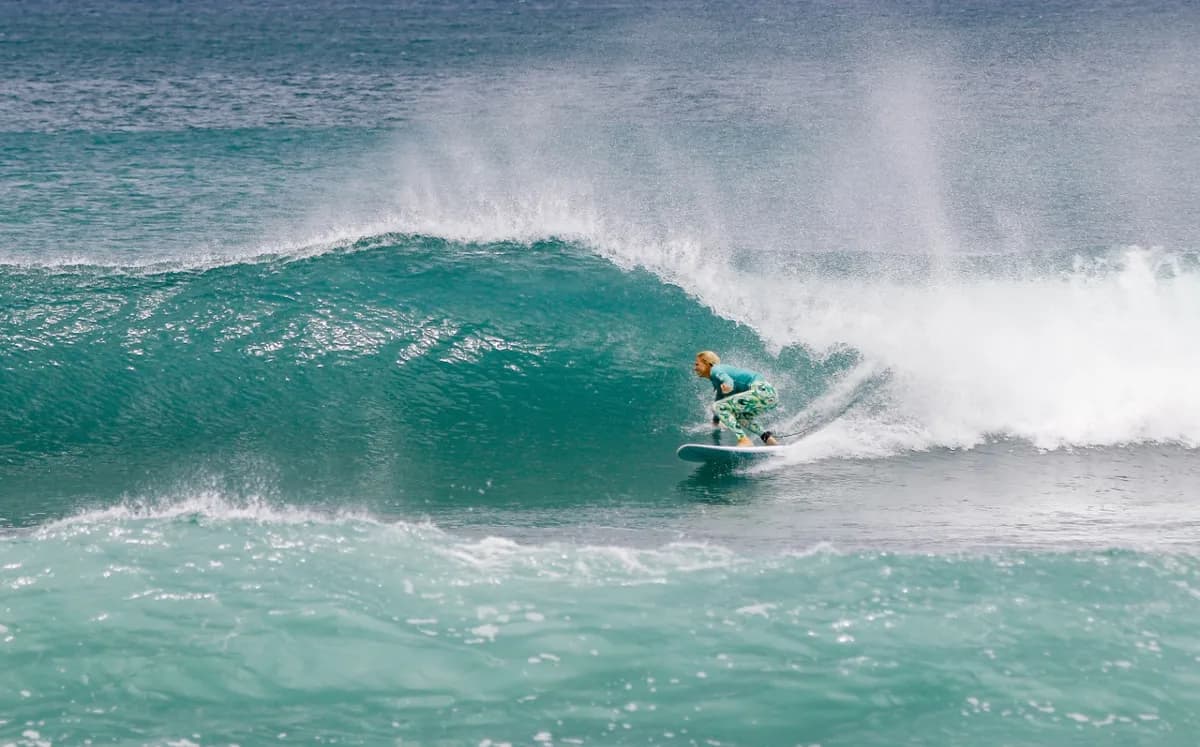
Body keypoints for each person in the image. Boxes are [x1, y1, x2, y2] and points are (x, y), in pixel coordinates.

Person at [692, 351, 779, 447]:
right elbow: (719, 399)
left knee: (718, 406)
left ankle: (744, 440)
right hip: (769, 396)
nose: (694, 368)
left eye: (697, 364)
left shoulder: (715, 370)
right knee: (739, 416)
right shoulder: (716, 380)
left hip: (762, 391)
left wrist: (728, 386)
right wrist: (715, 421)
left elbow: (728, 381)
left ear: (707, 363)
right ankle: (768, 439)